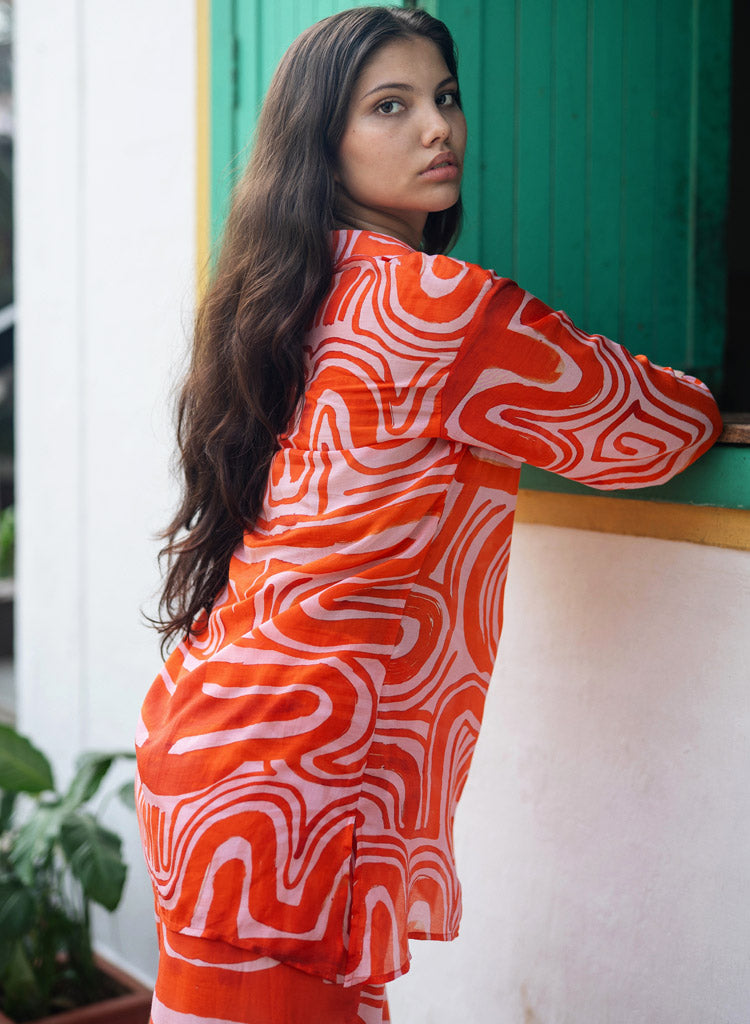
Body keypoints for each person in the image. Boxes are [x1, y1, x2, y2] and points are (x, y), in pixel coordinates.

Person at [135, 6, 722, 1023]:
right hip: (299, 798)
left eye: (445, 97)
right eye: (390, 106)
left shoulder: (285, 296)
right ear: (323, 140)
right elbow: (655, 431)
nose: (438, 127)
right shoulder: (443, 308)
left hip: (215, 753)